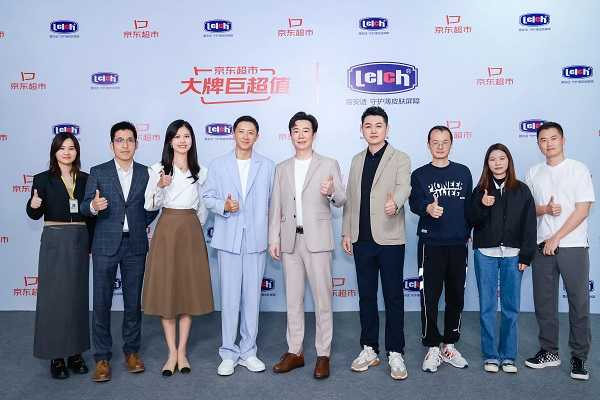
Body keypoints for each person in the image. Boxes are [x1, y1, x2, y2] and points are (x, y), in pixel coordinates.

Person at [268, 112, 346, 379]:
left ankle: (323, 354)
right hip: (290, 241)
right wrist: (274, 238)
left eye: (305, 130)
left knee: (323, 300)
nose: (300, 135)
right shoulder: (281, 168)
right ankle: (295, 352)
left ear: (314, 134)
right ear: (290, 135)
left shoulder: (328, 164)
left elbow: (341, 199)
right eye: (295, 130)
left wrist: (331, 191)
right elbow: (275, 206)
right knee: (293, 300)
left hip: (318, 240)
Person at [81, 121, 159, 382]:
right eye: (119, 140)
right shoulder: (98, 172)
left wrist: (137, 224)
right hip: (104, 244)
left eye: (129, 140)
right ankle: (102, 357)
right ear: (111, 144)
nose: (125, 145)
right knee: (101, 303)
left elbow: (153, 205)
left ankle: (132, 352)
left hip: (135, 244)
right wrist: (93, 206)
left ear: (137, 144)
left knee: (133, 303)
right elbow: (85, 206)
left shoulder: (146, 173)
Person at [341, 106, 411, 380]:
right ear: (362, 130)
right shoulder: (356, 159)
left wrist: (397, 202)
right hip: (362, 240)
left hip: (390, 238)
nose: (373, 130)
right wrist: (347, 232)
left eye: (378, 125)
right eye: (368, 126)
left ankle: (395, 351)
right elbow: (350, 198)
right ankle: (369, 348)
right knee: (366, 296)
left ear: (387, 129)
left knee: (393, 296)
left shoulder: (400, 157)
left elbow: (404, 186)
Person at [203, 115, 275, 376]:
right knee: (230, 297)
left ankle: (248, 351)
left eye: (251, 132)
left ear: (257, 136)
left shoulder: (267, 166)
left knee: (252, 298)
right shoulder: (218, 164)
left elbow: (274, 203)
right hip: (228, 238)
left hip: (256, 239)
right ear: (233, 134)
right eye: (241, 131)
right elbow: (207, 197)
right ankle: (228, 352)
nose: (245, 136)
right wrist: (223, 205)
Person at [142, 120, 214, 377]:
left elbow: (203, 207)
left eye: (187, 136)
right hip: (167, 229)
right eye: (177, 136)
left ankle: (182, 350)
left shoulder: (201, 171)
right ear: (170, 141)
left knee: (187, 290)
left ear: (192, 140)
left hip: (191, 229)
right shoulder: (157, 169)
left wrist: (193, 226)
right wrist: (160, 185)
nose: (182, 141)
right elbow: (149, 205)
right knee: (167, 290)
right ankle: (171, 352)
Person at [524, 122, 595, 380]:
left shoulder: (578, 169)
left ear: (563, 140)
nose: (549, 144)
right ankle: (549, 352)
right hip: (542, 247)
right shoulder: (533, 173)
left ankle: (579, 357)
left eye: (553, 138)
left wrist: (557, 237)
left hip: (572, 245)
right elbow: (527, 210)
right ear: (538, 144)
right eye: (543, 140)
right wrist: (544, 209)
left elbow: (583, 209)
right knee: (544, 304)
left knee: (578, 303)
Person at [26, 132, 94, 379]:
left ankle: (75, 352)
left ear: (77, 152)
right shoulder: (42, 179)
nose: (67, 152)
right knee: (54, 298)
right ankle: (56, 356)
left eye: (71, 148)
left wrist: (91, 246)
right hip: (54, 238)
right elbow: (34, 214)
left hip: (80, 238)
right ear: (54, 151)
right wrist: (32, 205)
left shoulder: (86, 179)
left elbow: (91, 215)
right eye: (62, 148)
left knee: (77, 297)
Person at [408, 125, 472, 373]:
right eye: (435, 142)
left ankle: (450, 345)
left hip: (457, 244)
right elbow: (414, 202)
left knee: (456, 296)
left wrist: (468, 230)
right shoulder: (419, 174)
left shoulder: (463, 172)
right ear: (428, 145)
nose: (440, 146)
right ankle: (433, 346)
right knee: (430, 297)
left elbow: (469, 206)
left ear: (451, 144)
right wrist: (428, 208)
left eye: (445, 141)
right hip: (430, 244)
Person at [468, 143, 536, 373]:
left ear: (509, 161)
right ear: (487, 164)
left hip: (514, 255)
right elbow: (471, 221)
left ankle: (508, 356)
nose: (497, 163)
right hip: (485, 253)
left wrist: (526, 254)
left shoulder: (522, 190)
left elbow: (529, 225)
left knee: (511, 307)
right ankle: (490, 355)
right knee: (487, 306)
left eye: (502, 158)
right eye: (492, 159)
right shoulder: (480, 190)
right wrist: (482, 205)